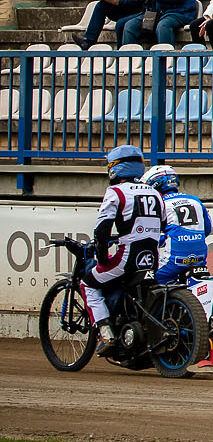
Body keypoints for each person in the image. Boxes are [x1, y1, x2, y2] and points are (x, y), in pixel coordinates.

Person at [80, 144, 165, 355]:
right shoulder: (154, 192)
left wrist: (101, 259)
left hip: (126, 257)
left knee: (87, 283)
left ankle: (106, 334)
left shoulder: (115, 192)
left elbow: (102, 230)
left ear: (115, 168)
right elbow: (162, 224)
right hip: (151, 258)